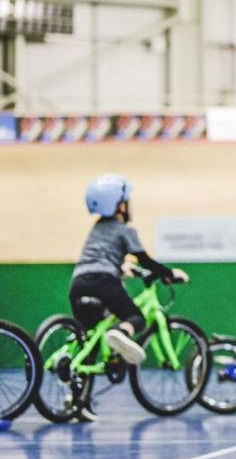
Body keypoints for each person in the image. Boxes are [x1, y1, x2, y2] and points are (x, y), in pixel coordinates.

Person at [71, 174, 189, 419]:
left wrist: (127, 268)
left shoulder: (97, 230)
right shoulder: (124, 230)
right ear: (119, 205)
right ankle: (122, 333)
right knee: (135, 317)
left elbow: (103, 257)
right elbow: (143, 258)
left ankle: (78, 402)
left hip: (79, 283)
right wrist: (168, 273)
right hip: (104, 281)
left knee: (89, 341)